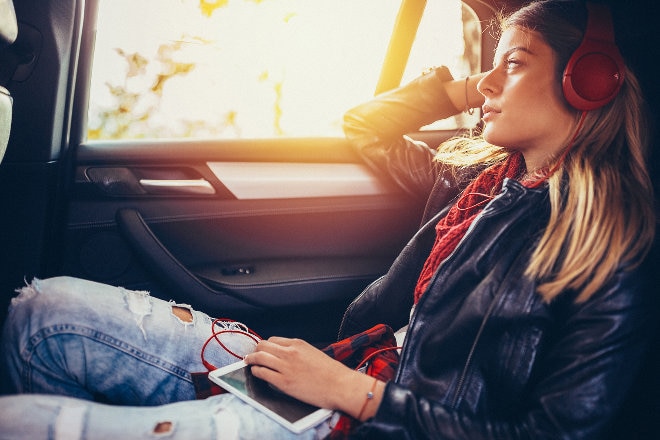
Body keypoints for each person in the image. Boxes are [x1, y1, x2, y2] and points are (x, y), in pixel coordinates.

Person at [0, 0, 656, 438]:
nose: (486, 82)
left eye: (511, 65)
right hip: (339, 369)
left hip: (363, 413)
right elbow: (365, 124)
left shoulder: (608, 249)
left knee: (19, 423)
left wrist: (356, 395)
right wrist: (462, 90)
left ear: (590, 82)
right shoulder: (475, 174)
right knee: (42, 316)